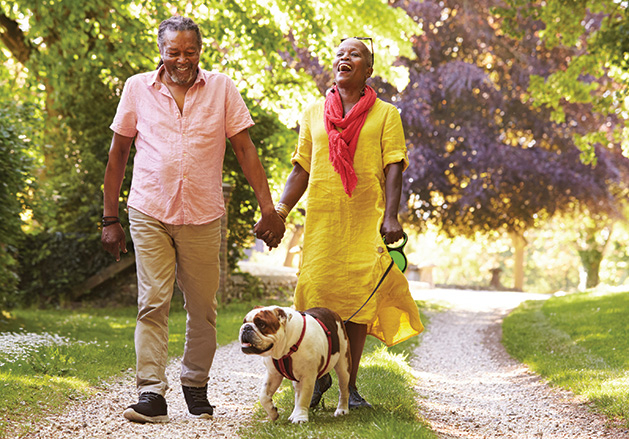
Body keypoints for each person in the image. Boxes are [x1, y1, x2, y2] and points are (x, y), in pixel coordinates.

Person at [101, 16, 285, 424]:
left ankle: (195, 383)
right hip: (149, 209)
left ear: (200, 51)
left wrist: (268, 208)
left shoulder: (221, 88)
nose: (182, 60)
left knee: (203, 308)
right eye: (174, 52)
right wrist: (109, 217)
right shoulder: (137, 88)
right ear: (160, 52)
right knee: (153, 303)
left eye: (190, 52)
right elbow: (117, 155)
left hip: (202, 214)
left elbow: (244, 149)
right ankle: (151, 392)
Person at [265, 37, 424, 408]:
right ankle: (315, 378)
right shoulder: (312, 113)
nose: (344, 58)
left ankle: (347, 388)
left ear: (368, 69)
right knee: (316, 296)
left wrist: (391, 216)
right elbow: (301, 168)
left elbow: (394, 166)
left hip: (365, 219)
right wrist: (280, 211)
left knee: (357, 304)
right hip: (322, 222)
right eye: (340, 54)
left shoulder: (386, 114)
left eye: (355, 54)